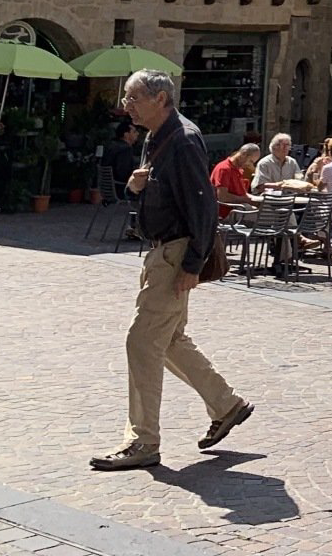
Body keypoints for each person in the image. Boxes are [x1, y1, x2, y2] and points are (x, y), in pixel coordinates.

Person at [91, 72, 251, 471]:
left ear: (160, 98)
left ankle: (143, 440)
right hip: (163, 251)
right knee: (169, 339)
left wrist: (192, 264)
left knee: (142, 341)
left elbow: (204, 207)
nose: (125, 104)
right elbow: (160, 190)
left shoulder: (182, 140)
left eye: (132, 98)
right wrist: (136, 186)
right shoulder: (156, 136)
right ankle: (226, 404)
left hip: (176, 253)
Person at [209, 144, 260, 216]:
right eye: (251, 161)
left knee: (268, 210)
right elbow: (222, 197)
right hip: (226, 213)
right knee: (265, 216)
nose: (250, 165)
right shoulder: (224, 169)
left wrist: (260, 199)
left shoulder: (238, 169)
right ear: (243, 154)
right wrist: (246, 200)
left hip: (239, 208)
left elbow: (242, 194)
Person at [105, 122, 142, 198]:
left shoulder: (112, 146)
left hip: (109, 188)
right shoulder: (125, 149)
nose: (137, 134)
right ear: (126, 135)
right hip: (122, 189)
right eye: (134, 132)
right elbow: (123, 173)